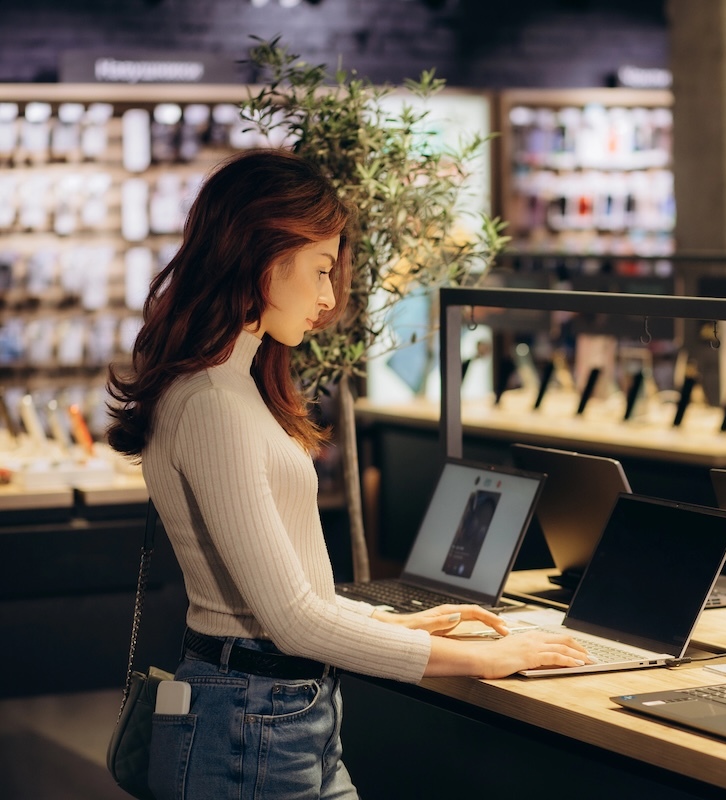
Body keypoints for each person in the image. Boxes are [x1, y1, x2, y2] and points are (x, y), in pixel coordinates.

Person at [106, 148, 591, 800]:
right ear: (261, 255)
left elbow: (287, 602)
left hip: (276, 712)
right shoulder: (212, 402)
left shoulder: (232, 385)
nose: (331, 298)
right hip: (251, 723)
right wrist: (484, 661)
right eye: (322, 270)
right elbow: (291, 621)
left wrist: (402, 625)